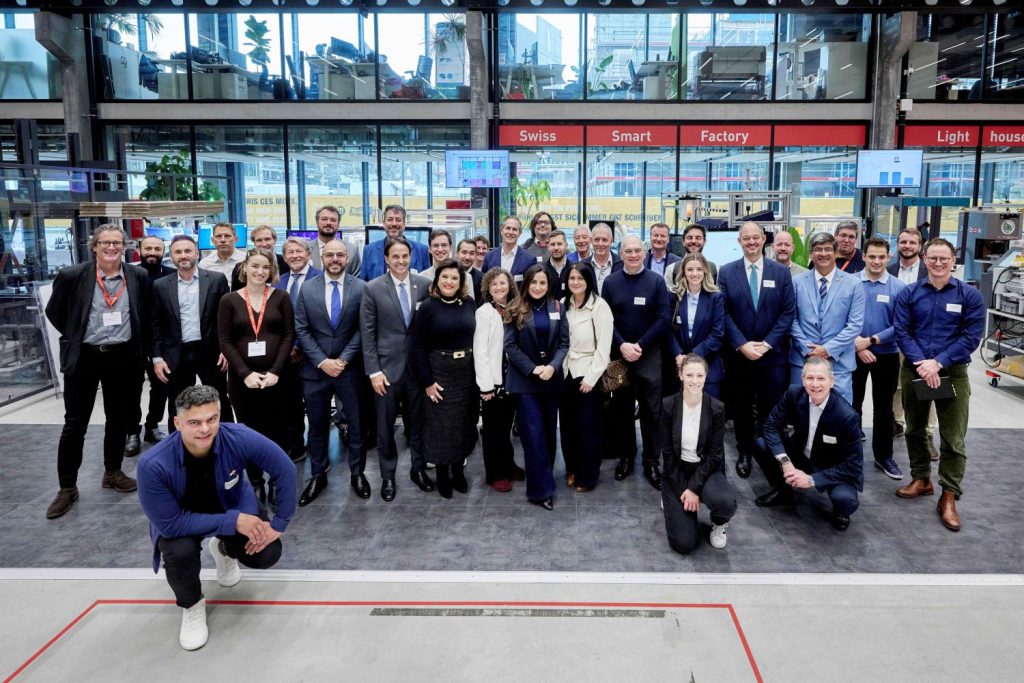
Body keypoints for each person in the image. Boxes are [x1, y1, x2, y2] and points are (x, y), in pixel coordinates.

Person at [137, 385, 296, 651]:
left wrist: (280, 524)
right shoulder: (153, 464)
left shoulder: (238, 436)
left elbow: (285, 469)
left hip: (230, 505)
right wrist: (234, 522)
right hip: (184, 521)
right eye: (194, 422)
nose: (205, 429)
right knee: (179, 552)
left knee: (267, 552)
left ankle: (224, 549)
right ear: (177, 423)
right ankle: (191, 605)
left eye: (212, 419)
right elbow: (171, 524)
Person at [44, 224, 149, 519]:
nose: (111, 248)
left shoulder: (138, 276)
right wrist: (76, 333)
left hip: (123, 357)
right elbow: (55, 311)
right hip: (85, 357)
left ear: (125, 246)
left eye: (117, 242)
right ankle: (67, 487)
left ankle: (112, 472)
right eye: (105, 243)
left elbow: (142, 313)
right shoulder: (72, 275)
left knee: (118, 418)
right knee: (75, 423)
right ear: (94, 246)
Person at [893, 237, 985, 532]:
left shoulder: (970, 296)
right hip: (916, 370)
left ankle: (949, 495)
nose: (938, 263)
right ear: (924, 259)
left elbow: (971, 337)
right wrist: (923, 363)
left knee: (953, 438)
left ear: (953, 261)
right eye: (932, 258)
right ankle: (921, 479)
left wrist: (938, 363)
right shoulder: (909, 293)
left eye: (944, 258)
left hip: (952, 373)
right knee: (915, 429)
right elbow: (902, 331)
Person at [217, 248, 295, 508]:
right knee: (248, 432)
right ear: (245, 268)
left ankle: (277, 482)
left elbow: (289, 335)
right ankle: (255, 482)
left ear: (271, 271)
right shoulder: (229, 300)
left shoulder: (281, 297)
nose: (260, 271)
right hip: (243, 380)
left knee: (278, 431)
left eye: (265, 267)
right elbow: (225, 341)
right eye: (255, 266)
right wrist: (245, 374)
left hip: (278, 377)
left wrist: (275, 371)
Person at [360, 236, 436, 500]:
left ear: (411, 257)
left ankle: (418, 469)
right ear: (386, 259)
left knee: (418, 424)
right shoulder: (372, 288)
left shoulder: (424, 285)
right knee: (385, 428)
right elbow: (367, 333)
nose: (401, 261)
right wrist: (374, 371)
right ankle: (388, 476)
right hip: (386, 371)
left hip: (417, 370)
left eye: (405, 256)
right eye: (395, 256)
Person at [718, 221, 795, 479]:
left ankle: (770, 453)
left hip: (772, 357)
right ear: (739, 242)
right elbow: (724, 312)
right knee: (741, 408)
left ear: (764, 239)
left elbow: (787, 312)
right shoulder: (726, 272)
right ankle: (745, 452)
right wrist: (742, 344)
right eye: (746, 238)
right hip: (740, 357)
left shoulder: (781, 273)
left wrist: (767, 344)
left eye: (756, 237)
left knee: (770, 409)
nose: (751, 242)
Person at [293, 239, 366, 506]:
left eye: (340, 255)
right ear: (321, 257)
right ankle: (317, 475)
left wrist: (343, 359)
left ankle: (357, 474)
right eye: (330, 255)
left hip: (350, 369)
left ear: (347, 258)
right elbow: (301, 329)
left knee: (356, 425)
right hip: (316, 370)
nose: (335, 259)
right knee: (317, 426)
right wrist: (322, 361)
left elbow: (363, 328)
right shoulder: (307, 289)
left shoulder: (361, 288)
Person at [753, 357, 864, 531]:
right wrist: (785, 462)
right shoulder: (793, 393)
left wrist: (811, 480)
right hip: (801, 453)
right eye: (810, 378)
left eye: (821, 378)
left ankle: (840, 512)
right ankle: (783, 488)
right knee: (760, 444)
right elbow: (770, 426)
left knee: (845, 500)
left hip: (831, 465)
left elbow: (853, 466)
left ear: (831, 381)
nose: (815, 384)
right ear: (803, 379)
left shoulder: (847, 416)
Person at [602, 235, 670, 490]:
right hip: (620, 357)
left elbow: (663, 319)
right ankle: (626, 458)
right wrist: (622, 345)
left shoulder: (656, 281)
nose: (632, 255)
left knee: (652, 412)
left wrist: (640, 345)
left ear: (644, 253)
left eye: (637, 251)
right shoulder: (610, 282)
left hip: (648, 355)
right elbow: (606, 319)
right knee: (622, 411)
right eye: (628, 251)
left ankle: (651, 462)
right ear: (621, 254)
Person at [151, 235, 233, 433]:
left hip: (211, 352)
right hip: (175, 354)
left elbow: (226, 319)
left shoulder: (216, 280)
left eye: (188, 251)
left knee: (220, 399)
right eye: (178, 252)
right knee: (177, 403)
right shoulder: (161, 285)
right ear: (171, 256)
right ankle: (178, 445)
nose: (183, 255)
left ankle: (228, 442)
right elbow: (155, 325)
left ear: (196, 253)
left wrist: (226, 349)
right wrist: (157, 358)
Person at [410, 259, 478, 498]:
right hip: (439, 372)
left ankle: (458, 472)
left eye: (454, 278)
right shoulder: (427, 307)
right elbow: (418, 347)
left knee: (463, 425)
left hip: (466, 373)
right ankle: (442, 475)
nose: (449, 282)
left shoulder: (469, 304)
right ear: (437, 280)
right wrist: (428, 382)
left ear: (461, 282)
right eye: (445, 277)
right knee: (441, 427)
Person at [504, 264, 569, 510]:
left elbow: (564, 343)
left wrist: (552, 366)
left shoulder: (558, 307)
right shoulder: (515, 308)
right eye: (534, 282)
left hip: (551, 380)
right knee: (533, 435)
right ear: (526, 283)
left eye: (542, 283)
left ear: (548, 285)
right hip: (525, 381)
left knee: (549, 435)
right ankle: (540, 491)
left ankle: (544, 477)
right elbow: (510, 346)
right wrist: (533, 368)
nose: (538, 287)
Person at [660, 354, 737, 554]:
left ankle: (718, 524)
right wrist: (683, 489)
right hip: (677, 470)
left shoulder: (716, 408)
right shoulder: (668, 405)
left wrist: (693, 489)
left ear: (706, 377)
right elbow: (667, 454)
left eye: (699, 375)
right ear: (680, 375)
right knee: (684, 544)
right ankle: (672, 498)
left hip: (705, 469)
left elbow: (715, 455)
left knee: (726, 503)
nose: (695, 380)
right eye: (689, 375)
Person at [852, 237, 907, 480]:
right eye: (872, 256)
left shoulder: (898, 288)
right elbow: (840, 317)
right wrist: (858, 345)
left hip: (886, 355)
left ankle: (884, 456)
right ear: (863, 256)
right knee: (851, 406)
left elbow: (901, 324)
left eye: (881, 257)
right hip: (853, 353)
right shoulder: (850, 283)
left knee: (884, 409)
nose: (876, 261)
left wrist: (871, 341)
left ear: (889, 257)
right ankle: (850, 455)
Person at [789, 231, 865, 404]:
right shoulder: (796, 282)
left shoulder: (854, 284)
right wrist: (808, 349)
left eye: (828, 249)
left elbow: (855, 325)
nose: (823, 253)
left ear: (836, 253)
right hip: (803, 361)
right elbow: (791, 320)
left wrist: (828, 349)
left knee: (839, 415)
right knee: (801, 413)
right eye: (818, 249)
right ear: (811, 253)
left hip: (838, 364)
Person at [560, 262, 612, 493]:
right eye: (572, 278)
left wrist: (591, 378)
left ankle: (588, 475)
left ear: (589, 281)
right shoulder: (563, 304)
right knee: (568, 426)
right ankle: (572, 468)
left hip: (588, 373)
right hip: (565, 372)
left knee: (588, 428)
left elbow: (604, 348)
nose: (575, 282)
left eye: (580, 278)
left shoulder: (599, 306)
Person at [474, 268, 525, 492]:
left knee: (506, 427)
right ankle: (495, 473)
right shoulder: (484, 312)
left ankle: (508, 464)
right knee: (493, 429)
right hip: (493, 380)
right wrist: (486, 386)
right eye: (493, 284)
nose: (498, 287)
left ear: (510, 285)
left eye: (502, 283)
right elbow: (480, 351)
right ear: (488, 288)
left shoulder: (516, 308)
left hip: (513, 378)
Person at [274, 236, 323, 462]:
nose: (295, 256)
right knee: (289, 402)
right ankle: (295, 445)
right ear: (284, 257)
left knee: (315, 404)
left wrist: (300, 346)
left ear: (308, 254)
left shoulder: (320, 278)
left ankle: (318, 449)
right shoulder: (278, 282)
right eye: (290, 252)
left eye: (299, 251)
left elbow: (321, 319)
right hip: (285, 354)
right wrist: (288, 348)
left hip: (314, 352)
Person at [127, 235, 175, 455]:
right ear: (139, 250)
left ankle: (152, 426)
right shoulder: (129, 274)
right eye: (148, 248)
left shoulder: (171, 275)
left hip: (163, 342)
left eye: (157, 248)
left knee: (161, 387)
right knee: (132, 388)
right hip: (132, 341)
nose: (153, 252)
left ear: (163, 252)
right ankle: (132, 431)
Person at [888, 227, 934, 447]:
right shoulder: (888, 270)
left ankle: (928, 433)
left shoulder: (930, 270)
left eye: (912, 242)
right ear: (898, 244)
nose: (907, 246)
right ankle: (897, 422)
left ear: (920, 246)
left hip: (924, 340)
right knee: (896, 385)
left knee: (927, 385)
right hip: (895, 338)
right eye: (903, 242)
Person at [668, 253, 725, 400]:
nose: (695, 274)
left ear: (705, 271)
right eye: (690, 269)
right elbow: (667, 331)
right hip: (679, 365)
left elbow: (717, 334)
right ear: (683, 272)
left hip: (708, 366)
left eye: (699, 269)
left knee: (708, 411)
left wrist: (692, 357)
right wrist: (678, 355)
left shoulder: (715, 297)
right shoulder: (674, 296)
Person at [361, 204, 431, 281]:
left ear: (404, 224)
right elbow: (363, 283)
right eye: (390, 219)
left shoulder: (422, 250)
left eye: (398, 220)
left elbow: (427, 282)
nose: (394, 224)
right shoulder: (369, 250)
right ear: (384, 223)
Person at [307, 205, 361, 277]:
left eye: (333, 220)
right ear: (317, 222)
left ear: (338, 224)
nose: (328, 223)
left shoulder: (351, 250)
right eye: (324, 219)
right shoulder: (304, 249)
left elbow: (356, 280)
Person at [665, 224, 718, 288]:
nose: (693, 241)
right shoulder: (671, 270)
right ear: (683, 241)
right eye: (689, 238)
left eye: (698, 238)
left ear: (704, 242)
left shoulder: (715, 270)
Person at [584, 223, 622, 294]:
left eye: (604, 240)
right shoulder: (583, 265)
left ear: (611, 241)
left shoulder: (621, 264)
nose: (600, 244)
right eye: (597, 240)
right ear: (591, 240)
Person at [543, 229, 570, 300]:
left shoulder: (574, 269)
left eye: (559, 244)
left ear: (566, 245)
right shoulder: (542, 271)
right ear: (548, 246)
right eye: (552, 244)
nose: (556, 248)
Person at [456, 237, 484, 303]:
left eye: (471, 253)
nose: (467, 257)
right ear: (457, 254)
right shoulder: (449, 275)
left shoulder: (482, 278)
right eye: (464, 252)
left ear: (475, 255)